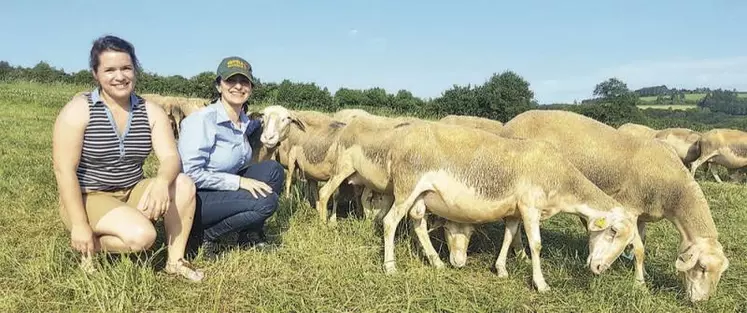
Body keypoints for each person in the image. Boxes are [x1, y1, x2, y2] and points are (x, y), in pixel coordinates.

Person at [52, 35, 204, 281]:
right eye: (109, 70)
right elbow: (64, 170)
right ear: (95, 74)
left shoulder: (150, 111)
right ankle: (88, 241)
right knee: (143, 237)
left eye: (126, 68)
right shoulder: (79, 110)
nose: (120, 76)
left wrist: (163, 183)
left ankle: (176, 261)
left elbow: (170, 157)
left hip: (131, 189)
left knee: (184, 184)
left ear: (135, 70)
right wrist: (80, 224)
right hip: (88, 195)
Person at [178, 56, 285, 260]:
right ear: (219, 86)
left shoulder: (243, 122)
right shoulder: (201, 121)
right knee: (266, 202)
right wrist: (239, 182)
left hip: (222, 188)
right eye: (230, 81)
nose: (238, 86)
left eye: (244, 81)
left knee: (274, 170)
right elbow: (189, 174)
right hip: (197, 197)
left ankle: (248, 233)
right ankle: (204, 236)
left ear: (251, 88)